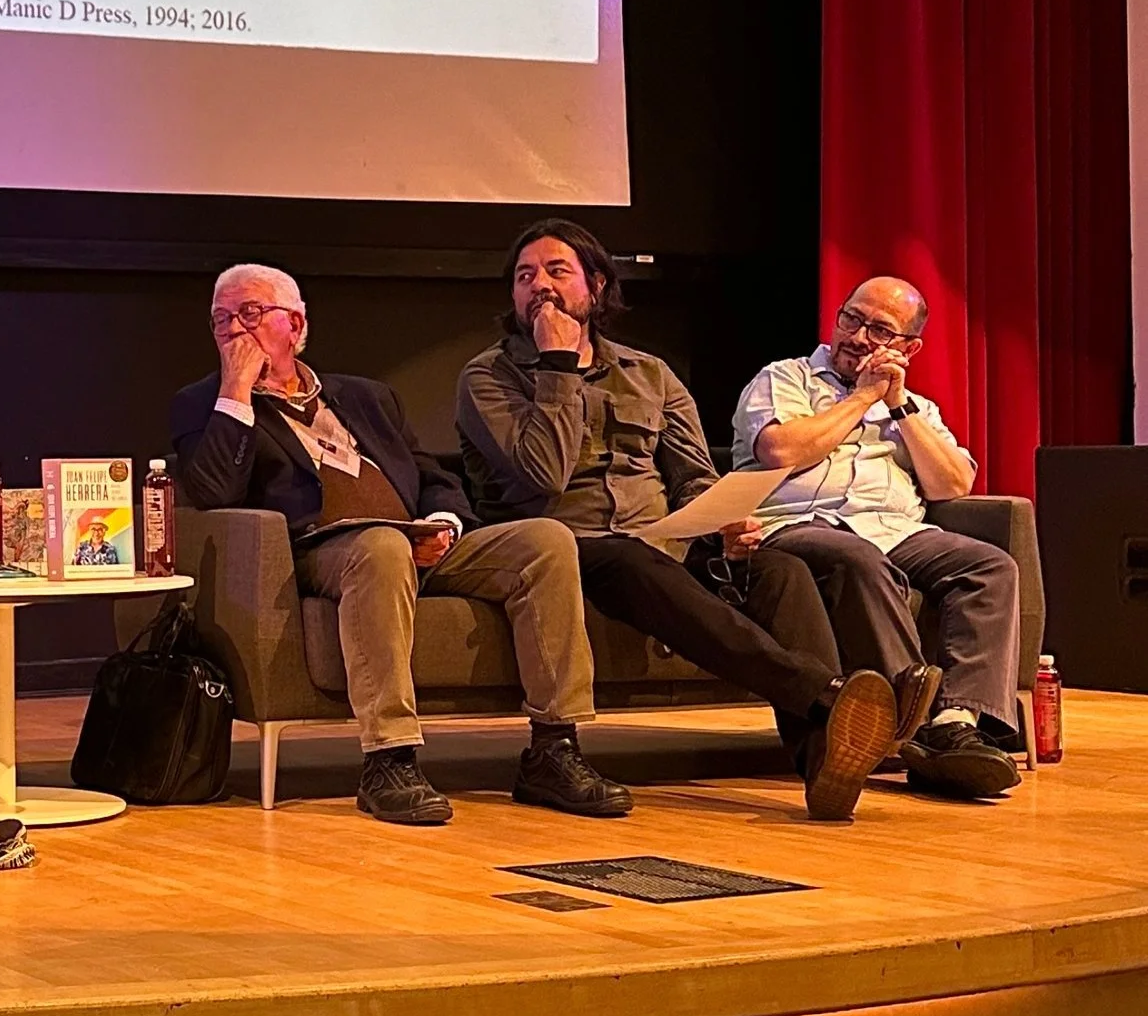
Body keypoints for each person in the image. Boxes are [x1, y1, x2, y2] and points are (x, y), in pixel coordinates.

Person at [456, 218, 902, 822]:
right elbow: (543, 475)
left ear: (595, 285)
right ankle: (828, 693)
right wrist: (557, 362)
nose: (540, 286)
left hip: (662, 542)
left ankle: (825, 766)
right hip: (564, 546)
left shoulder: (649, 373)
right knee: (625, 555)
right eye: (524, 276)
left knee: (779, 570)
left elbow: (691, 473)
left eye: (557, 271)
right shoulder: (489, 376)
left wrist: (723, 518)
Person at [171, 264, 629, 826]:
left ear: (295, 324)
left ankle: (554, 749)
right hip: (326, 551)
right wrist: (237, 392)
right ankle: (389, 758)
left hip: (415, 542)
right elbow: (213, 491)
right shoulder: (205, 404)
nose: (232, 332)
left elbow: (431, 476)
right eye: (221, 319)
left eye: (248, 314)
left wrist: (443, 523)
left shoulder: (366, 397)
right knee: (382, 547)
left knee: (546, 541)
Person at [731, 277, 1023, 800]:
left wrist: (900, 407)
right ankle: (920, 725)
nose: (859, 337)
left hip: (896, 531)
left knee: (991, 566)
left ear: (908, 348)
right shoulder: (785, 379)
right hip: (796, 527)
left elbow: (952, 483)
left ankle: (955, 720)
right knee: (857, 558)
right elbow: (781, 450)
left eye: (880, 330)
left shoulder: (915, 408)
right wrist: (863, 396)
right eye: (851, 319)